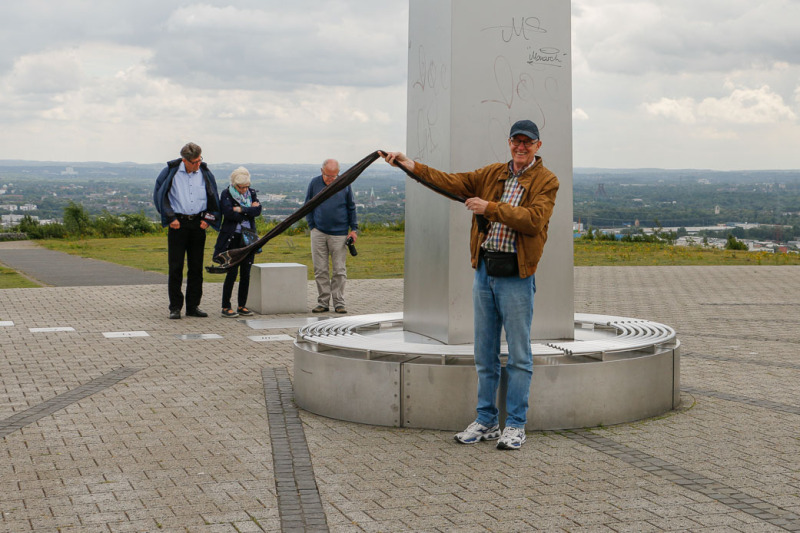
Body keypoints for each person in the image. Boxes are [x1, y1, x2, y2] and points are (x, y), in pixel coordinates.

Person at [382, 119, 559, 450]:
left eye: (527, 142)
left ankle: (516, 425)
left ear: (538, 146)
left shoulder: (546, 180)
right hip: (486, 273)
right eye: (516, 141)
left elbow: (534, 221)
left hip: (517, 278)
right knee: (484, 351)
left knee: (520, 354)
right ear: (509, 143)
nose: (521, 147)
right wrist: (409, 165)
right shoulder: (492, 174)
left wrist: (489, 207)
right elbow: (450, 182)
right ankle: (487, 420)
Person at [153, 142, 220, 319]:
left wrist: (208, 220)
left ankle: (193, 306)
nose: (198, 164)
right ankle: (175, 307)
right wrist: (170, 217)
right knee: (176, 267)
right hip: (178, 224)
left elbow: (214, 198)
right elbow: (160, 195)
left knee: (196, 268)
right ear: (185, 160)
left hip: (198, 224)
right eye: (195, 162)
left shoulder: (204, 173)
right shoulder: (171, 172)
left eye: (200, 160)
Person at [304, 158, 358, 314]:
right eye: (328, 175)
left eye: (334, 176)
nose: (331, 179)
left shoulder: (345, 184)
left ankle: (339, 302)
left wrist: (353, 229)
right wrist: (312, 226)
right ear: (322, 171)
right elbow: (307, 205)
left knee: (339, 270)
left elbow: (351, 207)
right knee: (320, 269)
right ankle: (323, 302)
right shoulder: (314, 183)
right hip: (318, 232)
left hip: (340, 233)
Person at [212, 167, 262, 318]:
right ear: (234, 184)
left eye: (246, 186)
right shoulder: (226, 194)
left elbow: (258, 211)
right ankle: (226, 306)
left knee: (246, 273)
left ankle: (242, 305)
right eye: (241, 187)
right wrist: (247, 211)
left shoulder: (251, 193)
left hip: (249, 237)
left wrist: (240, 209)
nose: (244, 190)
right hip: (232, 237)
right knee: (232, 273)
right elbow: (228, 213)